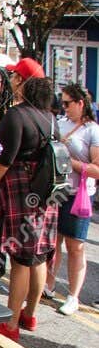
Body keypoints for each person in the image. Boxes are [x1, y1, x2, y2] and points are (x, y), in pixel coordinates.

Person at [0, 74, 60, 339]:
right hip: (46, 193)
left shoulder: (16, 115)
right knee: (38, 256)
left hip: (21, 190)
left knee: (21, 259)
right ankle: (30, 315)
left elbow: (2, 160)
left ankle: (11, 325)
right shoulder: (51, 120)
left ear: (26, 90)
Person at [46, 81, 98, 316]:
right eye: (62, 103)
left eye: (67, 103)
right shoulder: (60, 123)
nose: (63, 107)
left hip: (79, 196)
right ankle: (48, 284)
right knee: (52, 242)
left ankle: (73, 296)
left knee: (75, 246)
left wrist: (69, 161)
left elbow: (96, 169)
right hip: (58, 191)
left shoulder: (92, 130)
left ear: (80, 103)